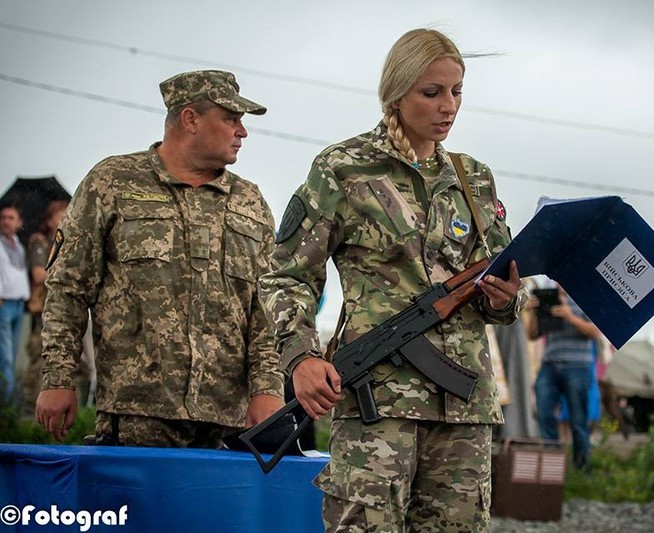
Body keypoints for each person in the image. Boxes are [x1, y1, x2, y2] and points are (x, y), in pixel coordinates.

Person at [260, 28, 522, 531]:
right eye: (432, 92)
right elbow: (287, 274)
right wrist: (300, 357)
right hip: (378, 404)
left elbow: (502, 290)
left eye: (457, 91)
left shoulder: (474, 178)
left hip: (464, 409)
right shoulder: (344, 170)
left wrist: (506, 298)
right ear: (397, 95)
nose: (449, 106)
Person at [35, 70, 283, 447]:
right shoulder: (113, 182)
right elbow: (68, 287)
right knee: (133, 508)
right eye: (231, 119)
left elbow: (265, 308)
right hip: (137, 412)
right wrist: (57, 379)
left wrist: (268, 388)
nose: (242, 132)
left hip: (228, 421)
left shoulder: (249, 202)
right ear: (190, 119)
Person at [530, 284, 601, 471]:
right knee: (544, 416)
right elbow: (532, 335)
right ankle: (552, 471)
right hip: (550, 364)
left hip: (577, 366)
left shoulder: (586, 299)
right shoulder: (549, 299)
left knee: (578, 421)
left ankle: (581, 469)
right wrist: (534, 313)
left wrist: (569, 316)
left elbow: (595, 332)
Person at [21, 200, 69, 416]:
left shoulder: (65, 242)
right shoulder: (41, 243)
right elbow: (39, 275)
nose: (64, 219)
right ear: (49, 221)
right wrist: (65, 276)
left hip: (60, 309)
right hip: (43, 309)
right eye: (60, 216)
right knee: (36, 355)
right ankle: (27, 407)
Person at [0, 204, 30, 402]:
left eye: (11, 217)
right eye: (3, 217)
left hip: (19, 303)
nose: (6, 221)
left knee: (14, 354)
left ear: (19, 223)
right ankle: (6, 403)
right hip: (4, 303)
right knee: (6, 357)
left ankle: (9, 402)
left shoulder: (19, 245)